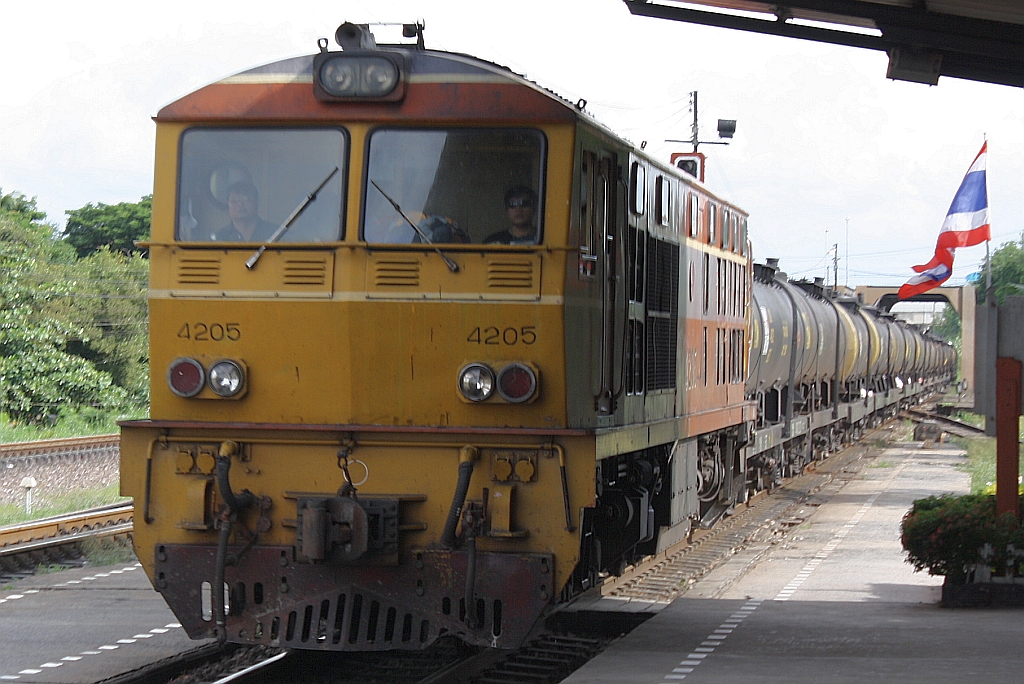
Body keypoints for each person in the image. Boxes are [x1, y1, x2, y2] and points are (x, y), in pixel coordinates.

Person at [213, 181, 277, 242]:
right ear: (228, 205)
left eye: (247, 199)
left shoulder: (275, 233)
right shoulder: (220, 238)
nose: (240, 204)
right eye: (235, 200)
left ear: (256, 203)